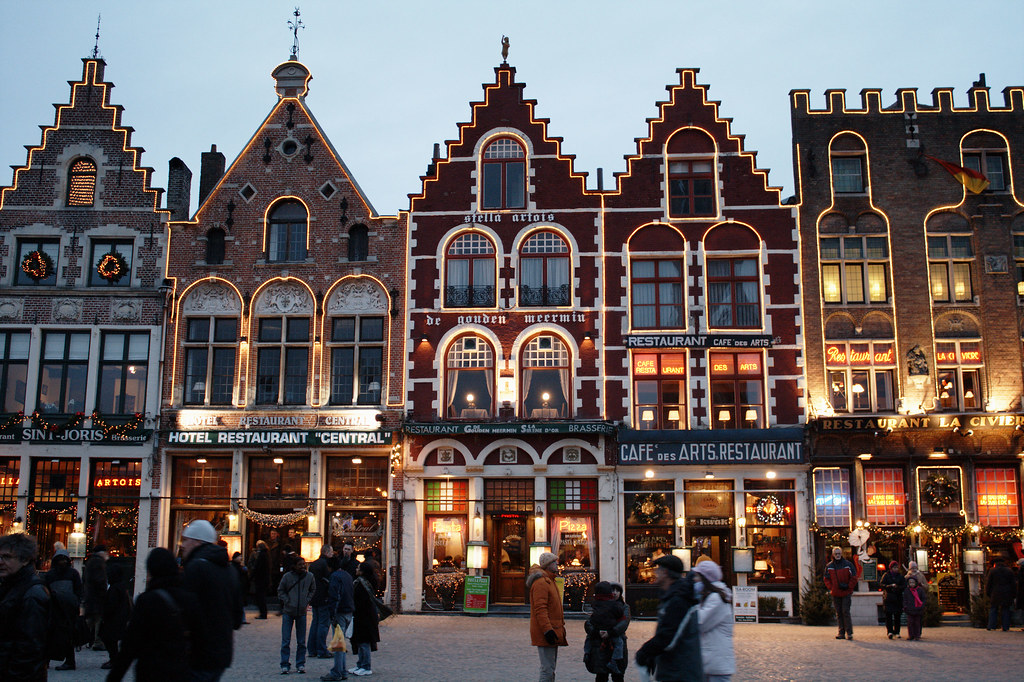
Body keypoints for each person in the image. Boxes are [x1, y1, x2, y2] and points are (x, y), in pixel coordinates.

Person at [106, 547, 200, 682]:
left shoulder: (147, 601)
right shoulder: (190, 599)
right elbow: (201, 640)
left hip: (151, 671)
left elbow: (130, 645)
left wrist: (115, 676)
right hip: (181, 671)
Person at [180, 519, 243, 681]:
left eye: (186, 540)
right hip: (221, 653)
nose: (182, 545)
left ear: (197, 542)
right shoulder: (230, 570)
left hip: (197, 653)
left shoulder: (195, 568)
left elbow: (185, 612)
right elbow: (237, 618)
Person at [635, 554, 702, 682]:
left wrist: (645, 653)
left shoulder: (678, 599)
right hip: (675, 669)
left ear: (665, 572)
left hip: (680, 671)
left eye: (658, 569)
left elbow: (668, 636)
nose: (655, 573)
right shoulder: (674, 595)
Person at [0, 533, 50, 681]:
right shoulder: (10, 586)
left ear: (25, 560)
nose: (0, 562)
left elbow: (30, 649)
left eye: (7, 557)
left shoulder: (32, 593)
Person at [692, 560, 734, 682]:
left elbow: (700, 623)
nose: (695, 580)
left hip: (716, 664)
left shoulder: (716, 599)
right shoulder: (711, 597)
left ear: (705, 579)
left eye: (697, 576)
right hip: (711, 662)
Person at [527, 551, 567, 682]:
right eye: (554, 562)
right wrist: (547, 630)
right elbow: (540, 610)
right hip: (547, 631)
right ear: (548, 565)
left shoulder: (550, 580)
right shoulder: (541, 583)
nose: (557, 564)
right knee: (547, 670)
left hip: (553, 629)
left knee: (550, 668)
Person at [44, 548, 82, 671]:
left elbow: (78, 590)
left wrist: (75, 603)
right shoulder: (52, 574)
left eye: (64, 560)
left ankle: (68, 661)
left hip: (67, 609)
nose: (62, 562)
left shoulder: (72, 574)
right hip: (56, 608)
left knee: (66, 636)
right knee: (51, 635)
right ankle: (48, 660)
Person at [278, 556, 316, 674]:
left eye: (303, 564)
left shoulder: (309, 577)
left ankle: (300, 663)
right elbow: (280, 590)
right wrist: (287, 600)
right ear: (294, 566)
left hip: (301, 612)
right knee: (286, 640)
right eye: (300, 564)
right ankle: (285, 664)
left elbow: (313, 589)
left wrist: (306, 600)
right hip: (289, 611)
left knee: (301, 641)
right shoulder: (287, 577)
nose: (302, 566)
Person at [584, 581, 628, 681]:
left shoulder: (623, 607)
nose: (615, 593)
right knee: (601, 674)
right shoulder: (610, 605)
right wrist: (597, 632)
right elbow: (589, 623)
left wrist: (609, 632)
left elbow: (623, 624)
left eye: (617, 591)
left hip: (610, 639)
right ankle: (589, 653)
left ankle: (614, 660)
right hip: (601, 643)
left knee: (617, 675)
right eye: (613, 590)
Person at [321, 560, 356, 681]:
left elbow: (334, 596)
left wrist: (333, 614)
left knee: (338, 643)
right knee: (341, 642)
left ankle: (337, 671)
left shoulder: (335, 577)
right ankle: (342, 670)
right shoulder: (348, 576)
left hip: (340, 611)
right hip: (348, 610)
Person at [99, 563, 134, 669]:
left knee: (109, 639)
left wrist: (105, 614)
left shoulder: (115, 588)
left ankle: (114, 659)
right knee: (111, 639)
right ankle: (115, 658)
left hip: (114, 618)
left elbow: (111, 605)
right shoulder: (120, 586)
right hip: (119, 617)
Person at [349, 561, 381, 677]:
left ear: (362, 571)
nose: (356, 569)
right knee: (360, 641)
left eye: (358, 568)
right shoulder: (361, 582)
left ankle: (366, 666)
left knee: (364, 642)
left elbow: (361, 600)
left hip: (365, 616)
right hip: (362, 615)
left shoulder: (363, 584)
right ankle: (360, 664)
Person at [823, 546, 859, 640]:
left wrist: (848, 586)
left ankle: (849, 633)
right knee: (839, 613)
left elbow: (854, 577)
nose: (838, 555)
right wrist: (832, 588)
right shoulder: (829, 566)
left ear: (841, 554)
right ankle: (841, 632)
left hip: (846, 592)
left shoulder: (848, 564)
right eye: (836, 554)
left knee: (845, 611)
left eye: (839, 553)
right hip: (836, 593)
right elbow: (826, 579)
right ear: (833, 555)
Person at [307, 544, 335, 659]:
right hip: (324, 597)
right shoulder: (326, 564)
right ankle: (321, 649)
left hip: (315, 597)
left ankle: (312, 649)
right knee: (323, 624)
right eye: (331, 552)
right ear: (327, 552)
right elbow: (328, 581)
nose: (332, 554)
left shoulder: (313, 564)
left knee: (315, 622)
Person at [83, 544, 109, 650]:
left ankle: (85, 638)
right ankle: (96, 641)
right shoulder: (99, 563)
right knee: (98, 619)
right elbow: (99, 580)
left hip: (91, 596)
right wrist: (104, 592)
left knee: (91, 619)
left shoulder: (91, 562)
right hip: (97, 597)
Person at [985, 557, 1016, 631]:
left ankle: (991, 625)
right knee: (1005, 609)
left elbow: (989, 583)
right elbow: (1013, 584)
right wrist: (1014, 594)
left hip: (995, 592)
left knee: (993, 609)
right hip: (1007, 592)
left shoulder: (992, 571)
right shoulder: (1009, 571)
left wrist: (988, 593)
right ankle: (1005, 627)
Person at [879, 560, 906, 639]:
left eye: (897, 567)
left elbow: (904, 586)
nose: (896, 569)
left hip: (897, 598)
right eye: (894, 567)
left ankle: (897, 631)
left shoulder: (900, 576)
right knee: (889, 616)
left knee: (897, 616)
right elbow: (881, 584)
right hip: (889, 598)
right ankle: (890, 631)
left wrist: (898, 587)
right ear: (891, 568)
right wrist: (889, 586)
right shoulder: (886, 575)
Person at [903, 576, 927, 640]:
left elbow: (923, 598)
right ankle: (911, 635)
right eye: (910, 583)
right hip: (910, 609)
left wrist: (922, 605)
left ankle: (917, 635)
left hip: (918, 609)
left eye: (913, 582)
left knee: (917, 623)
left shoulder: (920, 590)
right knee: (910, 623)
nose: (912, 584)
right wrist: (905, 606)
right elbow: (905, 599)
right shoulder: (907, 590)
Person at [252, 540, 271, 619]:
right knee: (262, 596)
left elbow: (257, 567)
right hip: (265, 579)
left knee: (260, 597)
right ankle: (263, 612)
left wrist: (252, 575)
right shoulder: (267, 555)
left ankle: (263, 613)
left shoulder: (261, 555)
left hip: (260, 579)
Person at [230, 551, 249, 624]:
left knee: (240, 603)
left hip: (241, 587)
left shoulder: (240, 567)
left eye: (241, 556)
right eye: (239, 556)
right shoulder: (234, 567)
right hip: (237, 587)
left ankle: (241, 618)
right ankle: (240, 618)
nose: (241, 558)